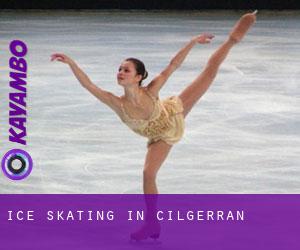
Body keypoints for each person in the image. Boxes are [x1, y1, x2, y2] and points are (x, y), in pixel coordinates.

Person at [51, 11, 257, 240]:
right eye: (119, 69)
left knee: (208, 72)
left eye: (126, 70)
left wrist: (192, 42)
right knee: (148, 174)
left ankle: (232, 39)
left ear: (138, 77)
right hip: (161, 137)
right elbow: (88, 85)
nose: (120, 73)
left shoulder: (151, 90)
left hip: (175, 112)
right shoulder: (116, 103)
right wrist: (71, 63)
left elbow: (174, 65)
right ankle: (151, 223)